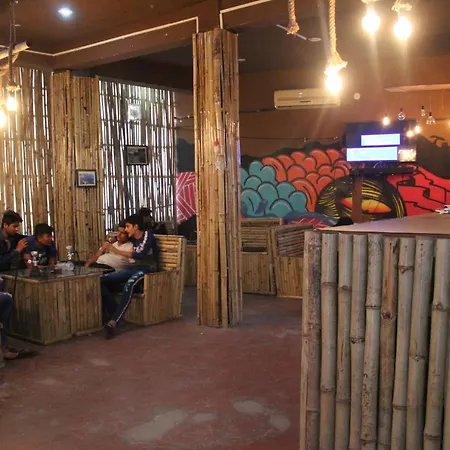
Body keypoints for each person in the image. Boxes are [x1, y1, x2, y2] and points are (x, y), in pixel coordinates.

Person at [100, 214, 158, 338]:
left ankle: (114, 322)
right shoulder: (132, 237)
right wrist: (110, 241)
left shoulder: (148, 235)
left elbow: (140, 254)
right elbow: (118, 236)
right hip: (133, 269)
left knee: (129, 285)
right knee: (100, 281)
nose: (126, 230)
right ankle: (115, 311)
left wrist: (115, 250)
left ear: (135, 227)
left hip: (147, 270)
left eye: (128, 226)